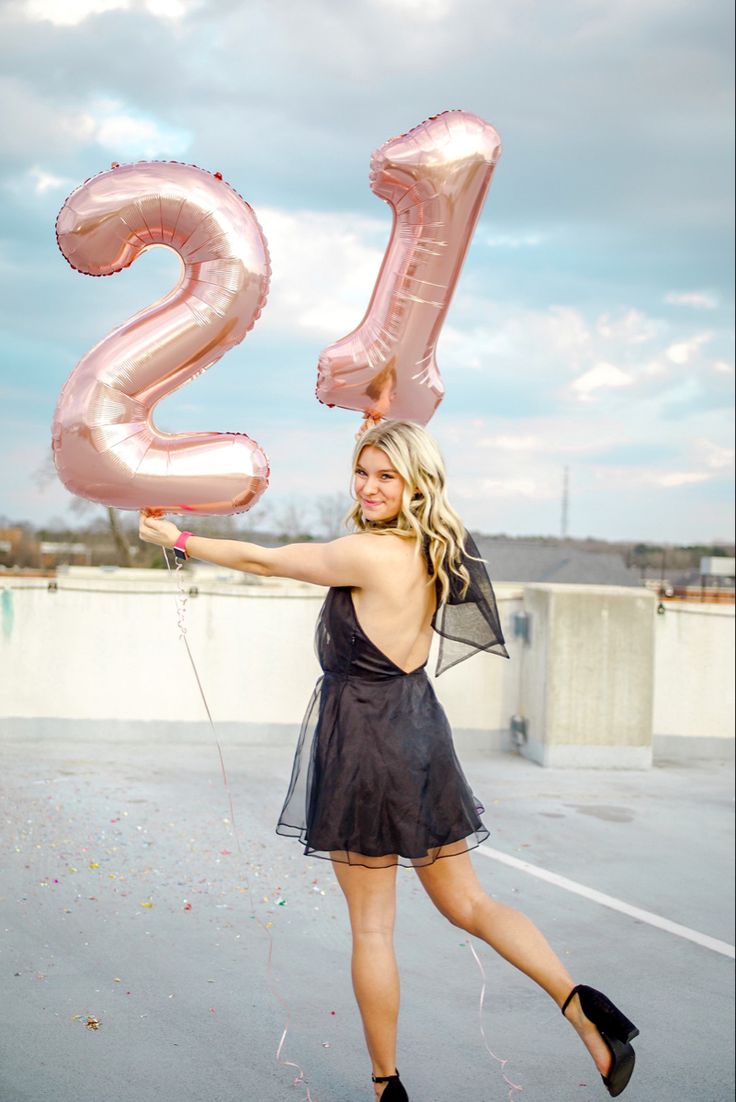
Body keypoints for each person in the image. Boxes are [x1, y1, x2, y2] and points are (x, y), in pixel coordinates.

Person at [138, 419, 639, 1100]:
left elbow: (267, 559)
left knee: (372, 926)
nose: (369, 486)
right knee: (470, 903)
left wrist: (181, 540)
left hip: (367, 741)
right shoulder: (436, 547)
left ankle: (386, 1088)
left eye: (387, 475)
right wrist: (378, 415)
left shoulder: (369, 555)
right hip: (419, 731)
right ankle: (584, 1010)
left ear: (413, 483)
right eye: (363, 471)